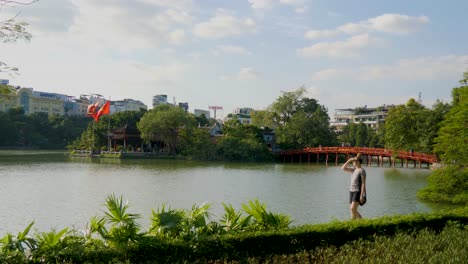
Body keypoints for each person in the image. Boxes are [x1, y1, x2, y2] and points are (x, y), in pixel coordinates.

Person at [341, 153, 366, 219]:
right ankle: (361, 221)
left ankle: (353, 223)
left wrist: (361, 195)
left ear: (357, 162)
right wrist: (349, 160)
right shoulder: (353, 170)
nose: (352, 163)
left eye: (353, 162)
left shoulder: (362, 171)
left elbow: (363, 183)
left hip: (357, 191)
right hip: (351, 190)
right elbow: (343, 168)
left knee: (352, 209)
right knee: (352, 210)